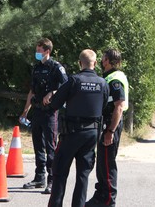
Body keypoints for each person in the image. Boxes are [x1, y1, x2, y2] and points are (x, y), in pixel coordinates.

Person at [47, 49, 109, 207]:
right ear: (95, 63)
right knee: (83, 176)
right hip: (91, 134)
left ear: (80, 63)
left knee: (60, 173)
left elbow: (55, 104)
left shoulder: (73, 80)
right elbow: (104, 108)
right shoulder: (103, 83)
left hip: (71, 133)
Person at [21, 38, 68, 194]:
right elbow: (32, 91)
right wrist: (25, 111)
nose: (37, 53)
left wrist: (52, 92)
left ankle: (52, 180)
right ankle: (39, 177)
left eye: (39, 51)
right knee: (37, 145)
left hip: (50, 113)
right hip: (37, 111)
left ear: (47, 51)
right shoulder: (36, 68)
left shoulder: (56, 68)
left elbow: (66, 87)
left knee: (51, 146)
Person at [85, 48, 129, 207]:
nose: (102, 60)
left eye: (104, 57)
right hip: (107, 123)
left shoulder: (115, 80)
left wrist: (110, 131)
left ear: (109, 61)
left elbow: (119, 106)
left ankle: (108, 199)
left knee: (107, 163)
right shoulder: (109, 77)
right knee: (102, 162)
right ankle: (100, 195)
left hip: (111, 124)